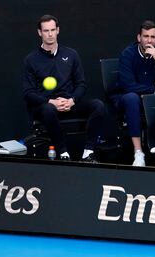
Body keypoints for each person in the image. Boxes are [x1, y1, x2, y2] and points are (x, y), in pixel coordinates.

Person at [22, 15, 106, 162]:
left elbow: (81, 84)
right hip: (46, 107)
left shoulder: (71, 54)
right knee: (47, 109)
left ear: (58, 30)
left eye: (52, 30)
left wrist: (72, 100)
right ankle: (63, 153)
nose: (50, 34)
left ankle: (88, 152)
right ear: (39, 33)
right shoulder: (31, 60)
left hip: (69, 103)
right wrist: (50, 101)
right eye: (46, 30)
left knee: (98, 105)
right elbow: (28, 93)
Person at [114, 20, 155, 167]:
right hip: (127, 98)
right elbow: (128, 85)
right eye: (145, 36)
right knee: (132, 98)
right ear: (139, 38)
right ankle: (138, 152)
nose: (149, 40)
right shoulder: (128, 54)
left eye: (152, 37)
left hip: (152, 101)